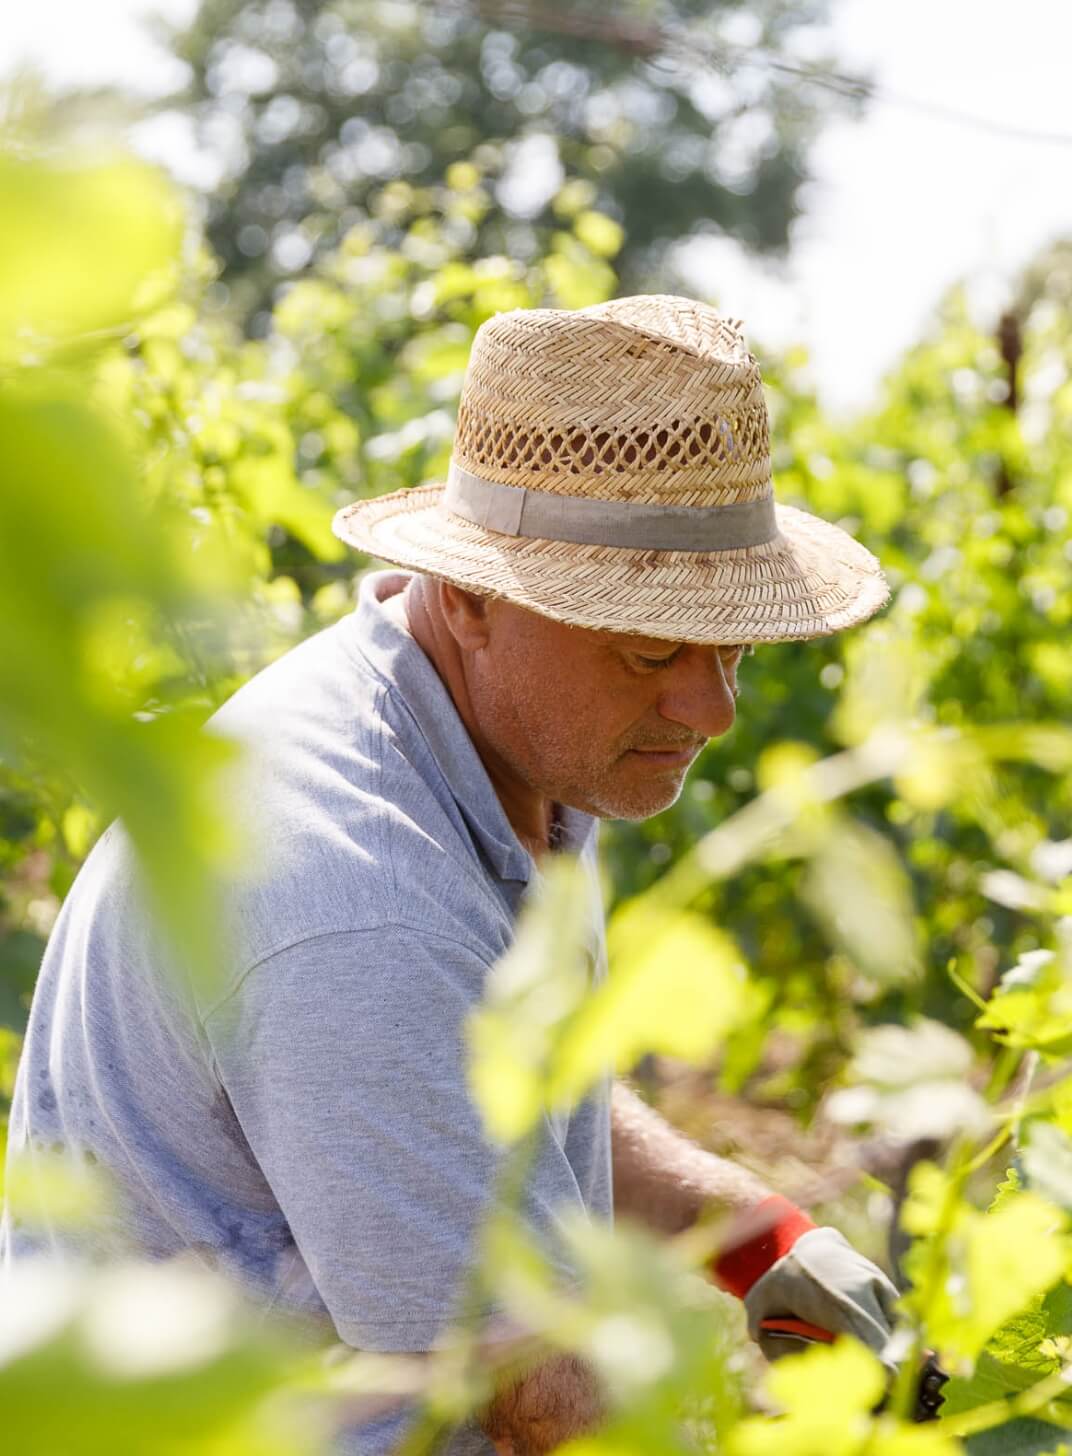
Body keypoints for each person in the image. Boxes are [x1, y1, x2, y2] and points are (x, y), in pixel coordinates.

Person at [2, 295, 896, 1455]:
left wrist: (752, 1231)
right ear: (472, 596)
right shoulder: (347, 894)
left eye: (727, 644)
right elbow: (546, 1400)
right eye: (651, 650)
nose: (711, 707)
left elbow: (481, 1088)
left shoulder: (500, 750)